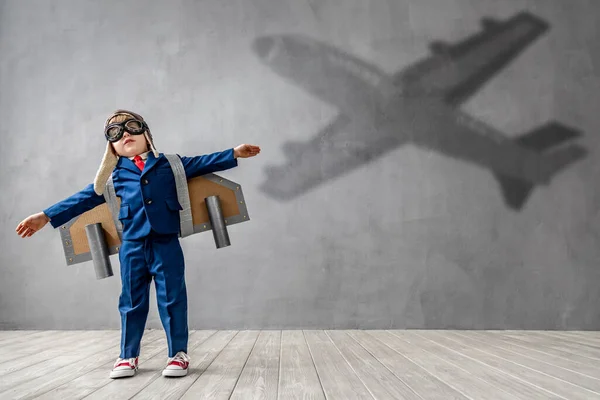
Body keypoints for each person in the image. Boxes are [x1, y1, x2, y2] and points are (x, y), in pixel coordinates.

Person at [15, 109, 261, 378]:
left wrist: (234, 153)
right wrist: (45, 215)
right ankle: (127, 356)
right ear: (111, 146)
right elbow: (82, 198)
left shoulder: (170, 163)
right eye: (115, 133)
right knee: (131, 301)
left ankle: (178, 354)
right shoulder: (112, 177)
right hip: (131, 245)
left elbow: (204, 162)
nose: (125, 135)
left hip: (166, 242)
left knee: (173, 299)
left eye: (131, 128)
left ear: (146, 134)